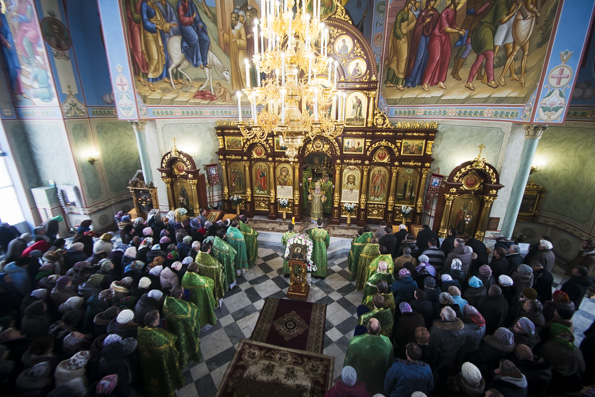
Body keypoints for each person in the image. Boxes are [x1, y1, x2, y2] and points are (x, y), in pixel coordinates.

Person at [137, 310, 184, 397]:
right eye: (158, 318)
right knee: (166, 377)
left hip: (150, 367)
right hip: (162, 364)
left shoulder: (141, 333)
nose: (159, 319)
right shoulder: (161, 338)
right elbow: (172, 342)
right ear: (155, 322)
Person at [420, 0, 464, 91]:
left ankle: (440, 81)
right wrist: (458, 31)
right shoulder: (445, 12)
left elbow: (453, 25)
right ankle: (425, 82)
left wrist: (460, 29)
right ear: (452, 1)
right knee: (435, 58)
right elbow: (445, 29)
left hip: (445, 38)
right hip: (437, 37)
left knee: (446, 57)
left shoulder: (454, 11)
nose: (458, 2)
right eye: (457, 1)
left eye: (459, 1)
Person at [344, 318, 394, 395]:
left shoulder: (355, 343)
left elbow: (349, 360)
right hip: (378, 377)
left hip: (361, 375)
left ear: (367, 328)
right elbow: (390, 362)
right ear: (380, 329)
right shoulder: (387, 344)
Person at [163, 286, 201, 368]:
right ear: (180, 295)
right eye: (183, 291)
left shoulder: (166, 302)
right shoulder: (184, 310)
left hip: (174, 330)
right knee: (188, 343)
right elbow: (195, 312)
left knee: (180, 345)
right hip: (184, 330)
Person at [404, 0, 439, 87]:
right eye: (431, 1)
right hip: (422, 37)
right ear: (428, 2)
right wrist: (425, 22)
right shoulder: (423, 13)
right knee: (419, 57)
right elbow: (417, 28)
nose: (433, 3)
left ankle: (420, 80)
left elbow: (437, 22)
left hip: (430, 37)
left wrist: (433, 14)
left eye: (434, 2)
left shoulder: (435, 13)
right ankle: (410, 80)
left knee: (427, 58)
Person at [384, 0, 417, 90]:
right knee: (403, 58)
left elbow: (414, 23)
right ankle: (399, 83)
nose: (411, 6)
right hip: (400, 38)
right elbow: (397, 28)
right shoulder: (401, 14)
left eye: (412, 4)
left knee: (395, 58)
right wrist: (401, 36)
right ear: (407, 3)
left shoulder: (410, 14)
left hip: (404, 37)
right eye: (410, 4)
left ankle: (389, 81)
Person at [180, 262, 217, 327]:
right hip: (200, 299)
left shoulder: (185, 277)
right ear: (196, 269)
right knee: (203, 309)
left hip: (191, 300)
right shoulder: (201, 283)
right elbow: (208, 285)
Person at [177, 0, 210, 70]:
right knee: (195, 38)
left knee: (206, 39)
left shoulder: (191, 3)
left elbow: (197, 16)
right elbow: (182, 19)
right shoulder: (180, 4)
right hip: (184, 26)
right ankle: (198, 61)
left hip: (194, 25)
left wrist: (200, 24)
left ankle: (204, 61)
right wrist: (192, 18)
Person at [220, 11, 246, 91]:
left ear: (237, 18)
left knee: (241, 68)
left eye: (234, 17)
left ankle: (245, 88)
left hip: (240, 52)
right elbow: (229, 39)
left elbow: (244, 42)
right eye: (231, 17)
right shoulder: (231, 27)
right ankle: (237, 89)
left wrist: (237, 41)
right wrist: (224, 35)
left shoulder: (241, 27)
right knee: (234, 70)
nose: (232, 19)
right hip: (233, 51)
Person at [194, 243, 225, 307]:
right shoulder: (213, 263)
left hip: (203, 281)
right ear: (208, 249)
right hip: (212, 281)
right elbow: (220, 269)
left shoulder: (198, 257)